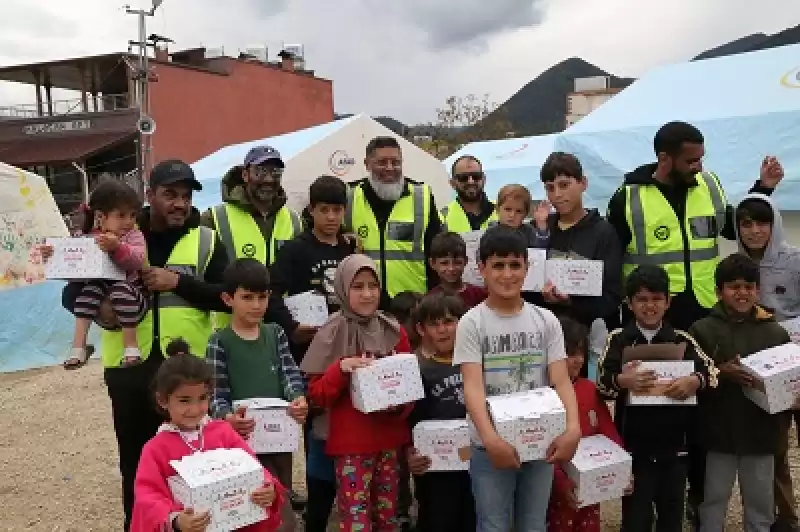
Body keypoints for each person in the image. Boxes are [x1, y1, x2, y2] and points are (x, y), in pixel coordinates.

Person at [605, 124, 784, 519]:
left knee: (705, 405)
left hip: (704, 313)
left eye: (702, 158)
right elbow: (611, 257)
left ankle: (697, 498)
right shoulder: (627, 198)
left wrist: (763, 188)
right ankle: (644, 496)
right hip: (654, 317)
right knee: (652, 405)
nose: (699, 166)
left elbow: (736, 225)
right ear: (665, 159)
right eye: (691, 160)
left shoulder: (711, 185)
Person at [62, 160, 230, 530]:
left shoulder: (207, 239)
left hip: (188, 372)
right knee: (136, 462)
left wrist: (178, 283)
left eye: (185, 196)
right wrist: (104, 312)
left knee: (192, 461)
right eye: (170, 194)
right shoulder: (118, 231)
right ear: (149, 196)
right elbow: (71, 293)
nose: (180, 203)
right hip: (128, 367)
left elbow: (227, 296)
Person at [454, 225, 581, 532]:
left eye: (515, 265)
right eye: (498, 265)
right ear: (481, 268)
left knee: (534, 523)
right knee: (494, 523)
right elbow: (472, 386)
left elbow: (561, 380)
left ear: (528, 267)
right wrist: (491, 439)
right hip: (489, 447)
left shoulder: (546, 320)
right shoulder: (472, 322)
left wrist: (573, 428)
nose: (507, 274)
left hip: (540, 441)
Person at [596, 264, 717, 532]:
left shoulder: (681, 339)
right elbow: (602, 384)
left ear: (668, 302)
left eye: (656, 299)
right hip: (634, 448)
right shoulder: (618, 340)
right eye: (642, 299)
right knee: (636, 518)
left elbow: (712, 371)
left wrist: (694, 381)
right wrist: (622, 381)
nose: (649, 306)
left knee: (671, 515)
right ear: (629, 303)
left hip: (676, 447)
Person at [301, 255, 413, 531]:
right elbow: (316, 395)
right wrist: (341, 368)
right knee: (356, 521)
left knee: (387, 519)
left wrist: (396, 402)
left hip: (388, 442)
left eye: (373, 286)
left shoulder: (393, 330)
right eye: (358, 286)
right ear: (342, 289)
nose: (367, 294)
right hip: (351, 445)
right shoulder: (330, 331)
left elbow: (410, 386)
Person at [130, 339, 284, 532]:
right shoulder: (156, 448)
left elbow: (254, 468)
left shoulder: (223, 432)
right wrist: (176, 520)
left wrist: (267, 489)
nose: (195, 409)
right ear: (162, 400)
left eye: (203, 398)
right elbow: (148, 496)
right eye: (184, 400)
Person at [688, 254, 791, 532]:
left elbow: (788, 383)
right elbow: (691, 381)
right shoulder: (701, 330)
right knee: (713, 501)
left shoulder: (776, 333)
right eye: (734, 287)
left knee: (761, 503)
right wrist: (721, 372)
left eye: (748, 286)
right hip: (716, 435)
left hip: (762, 434)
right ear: (719, 291)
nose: (742, 293)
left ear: (758, 290)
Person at [207, 258, 309, 532]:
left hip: (279, 440)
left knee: (280, 497)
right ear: (228, 299)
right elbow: (216, 393)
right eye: (247, 297)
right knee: (248, 505)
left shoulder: (276, 334)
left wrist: (298, 399)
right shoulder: (219, 341)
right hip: (241, 441)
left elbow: (290, 375)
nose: (256, 305)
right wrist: (227, 417)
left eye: (262, 297)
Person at [201, 145, 315, 348]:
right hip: (231, 333)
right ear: (245, 174)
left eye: (275, 172)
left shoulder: (295, 220)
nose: (268, 179)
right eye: (260, 171)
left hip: (282, 333)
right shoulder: (214, 217)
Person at [735, 195, 800, 532]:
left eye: (762, 222)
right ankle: (785, 519)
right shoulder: (736, 265)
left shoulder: (795, 260)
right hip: (763, 372)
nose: (754, 230)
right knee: (772, 451)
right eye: (746, 223)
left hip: (798, 366)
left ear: (774, 224)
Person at [47, 180, 148, 369]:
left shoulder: (133, 236)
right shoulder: (85, 238)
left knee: (120, 290)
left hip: (133, 294)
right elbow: (74, 271)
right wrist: (54, 256)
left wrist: (118, 247)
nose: (129, 221)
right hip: (101, 294)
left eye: (133, 215)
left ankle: (131, 348)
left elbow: (136, 260)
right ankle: (78, 347)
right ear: (101, 216)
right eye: (121, 215)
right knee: (89, 291)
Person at [343, 136, 442, 309]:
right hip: (364, 303)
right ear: (367, 164)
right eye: (382, 162)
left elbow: (437, 251)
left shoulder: (422, 196)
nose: (389, 168)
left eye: (395, 162)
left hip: (413, 304)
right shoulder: (348, 196)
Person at [406, 293, 476, 532]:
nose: (442, 330)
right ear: (421, 328)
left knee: (472, 517)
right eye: (434, 324)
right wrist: (409, 454)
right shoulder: (415, 368)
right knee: (436, 519)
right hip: (433, 466)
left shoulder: (476, 362)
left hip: (473, 461)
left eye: (449, 322)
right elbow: (405, 420)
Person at [547, 315, 624, 532]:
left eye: (581, 352)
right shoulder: (543, 396)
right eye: (570, 353)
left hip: (590, 481)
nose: (578, 360)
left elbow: (608, 431)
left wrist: (622, 467)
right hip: (554, 487)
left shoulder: (589, 388)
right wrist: (560, 482)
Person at [269, 175, 358, 362]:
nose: (331, 217)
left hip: (347, 344)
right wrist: (291, 327)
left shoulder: (351, 249)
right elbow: (271, 293)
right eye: (324, 210)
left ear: (345, 211)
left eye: (337, 210)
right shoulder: (294, 249)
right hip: (308, 348)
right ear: (311, 210)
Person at [536, 152, 622, 335]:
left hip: (587, 339)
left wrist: (571, 301)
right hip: (544, 334)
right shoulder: (540, 229)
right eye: (550, 188)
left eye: (564, 185)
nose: (557, 195)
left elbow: (612, 297)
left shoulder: (603, 232)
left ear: (583, 183)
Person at [427, 231, 487, 309]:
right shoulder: (430, 300)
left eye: (457, 263)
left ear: (466, 261)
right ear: (432, 263)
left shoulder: (480, 295)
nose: (451, 268)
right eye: (444, 263)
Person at [440, 155, 498, 232]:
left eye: (476, 176)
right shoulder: (442, 217)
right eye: (463, 177)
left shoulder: (504, 210)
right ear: (452, 183)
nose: (470, 181)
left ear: (484, 179)